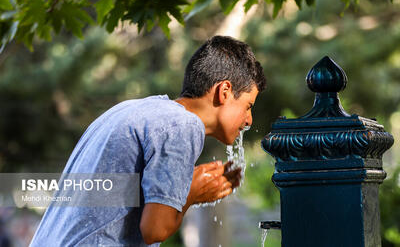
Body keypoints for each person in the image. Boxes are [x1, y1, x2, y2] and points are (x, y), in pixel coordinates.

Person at [29, 35, 266, 246]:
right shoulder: (183, 125)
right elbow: (155, 230)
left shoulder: (133, 110)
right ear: (224, 91)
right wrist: (190, 195)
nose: (249, 120)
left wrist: (185, 187)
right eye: (248, 106)